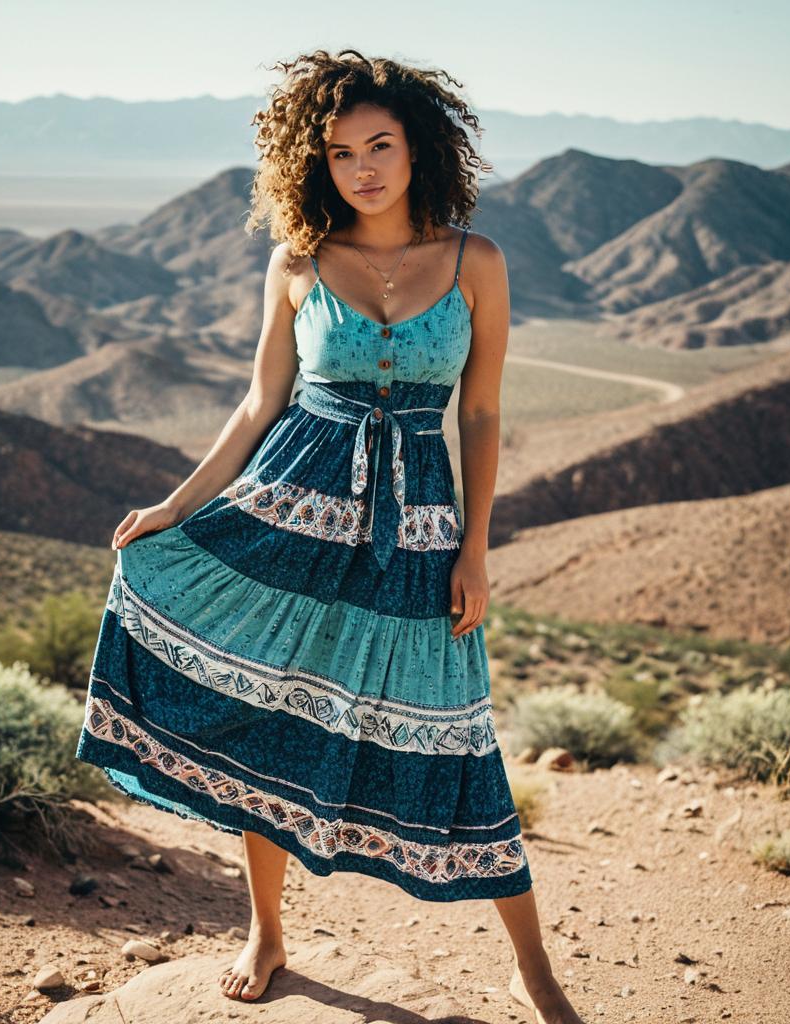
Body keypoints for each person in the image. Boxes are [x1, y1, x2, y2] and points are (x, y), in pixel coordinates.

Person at [75, 48, 584, 1024]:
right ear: (317, 163)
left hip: (418, 530)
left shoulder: (476, 261)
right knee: (268, 714)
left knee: (460, 731)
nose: (363, 168)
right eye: (342, 153)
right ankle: (266, 931)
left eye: (379, 145)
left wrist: (475, 548)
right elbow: (259, 404)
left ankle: (536, 970)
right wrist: (175, 507)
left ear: (416, 145)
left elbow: (480, 412)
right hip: (289, 515)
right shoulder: (297, 262)